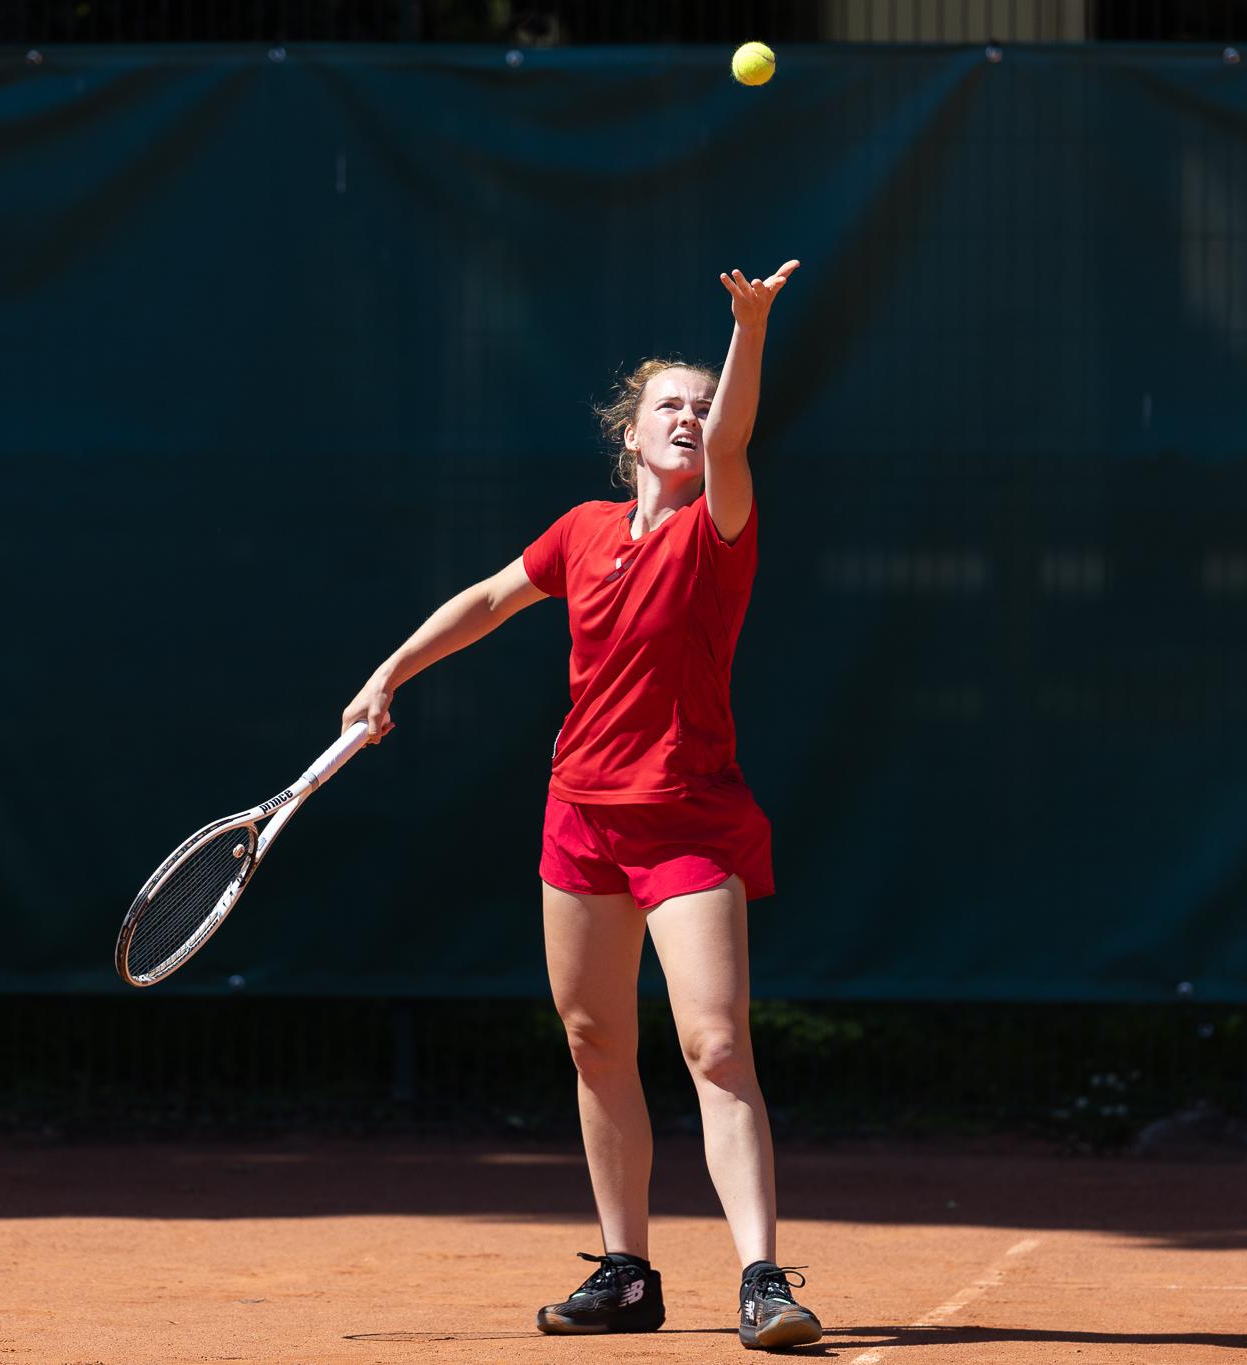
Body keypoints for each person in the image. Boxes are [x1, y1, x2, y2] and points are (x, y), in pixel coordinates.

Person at [341, 261, 818, 1351]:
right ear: (630, 434)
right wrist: (389, 674)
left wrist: (748, 330)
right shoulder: (584, 531)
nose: (690, 417)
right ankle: (627, 1273)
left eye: (702, 405)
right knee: (596, 1040)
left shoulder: (720, 526)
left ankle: (761, 1280)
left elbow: (735, 439)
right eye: (670, 405)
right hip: (581, 819)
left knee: (714, 1045)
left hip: (687, 817)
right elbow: (488, 598)